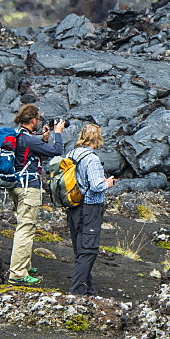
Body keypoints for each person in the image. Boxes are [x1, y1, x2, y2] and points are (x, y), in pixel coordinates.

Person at [8, 104, 65, 286]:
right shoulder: (30, 140)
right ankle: (18, 274)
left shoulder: (19, 136)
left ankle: (24, 265)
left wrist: (44, 137)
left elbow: (33, 149)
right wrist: (58, 132)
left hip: (16, 185)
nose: (39, 121)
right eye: (38, 119)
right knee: (26, 229)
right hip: (28, 187)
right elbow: (56, 151)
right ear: (33, 120)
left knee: (24, 225)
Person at [65, 123, 114, 296]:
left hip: (73, 205)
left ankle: (87, 288)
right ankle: (77, 290)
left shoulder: (71, 154)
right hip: (89, 206)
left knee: (80, 247)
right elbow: (95, 186)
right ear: (97, 138)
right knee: (89, 249)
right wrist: (107, 183)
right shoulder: (91, 158)